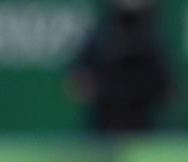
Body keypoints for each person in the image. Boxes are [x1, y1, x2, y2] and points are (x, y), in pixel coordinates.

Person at [65, 0, 173, 134]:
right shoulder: (101, 36)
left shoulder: (152, 40)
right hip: (103, 126)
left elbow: (167, 90)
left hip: (141, 127)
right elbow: (77, 82)